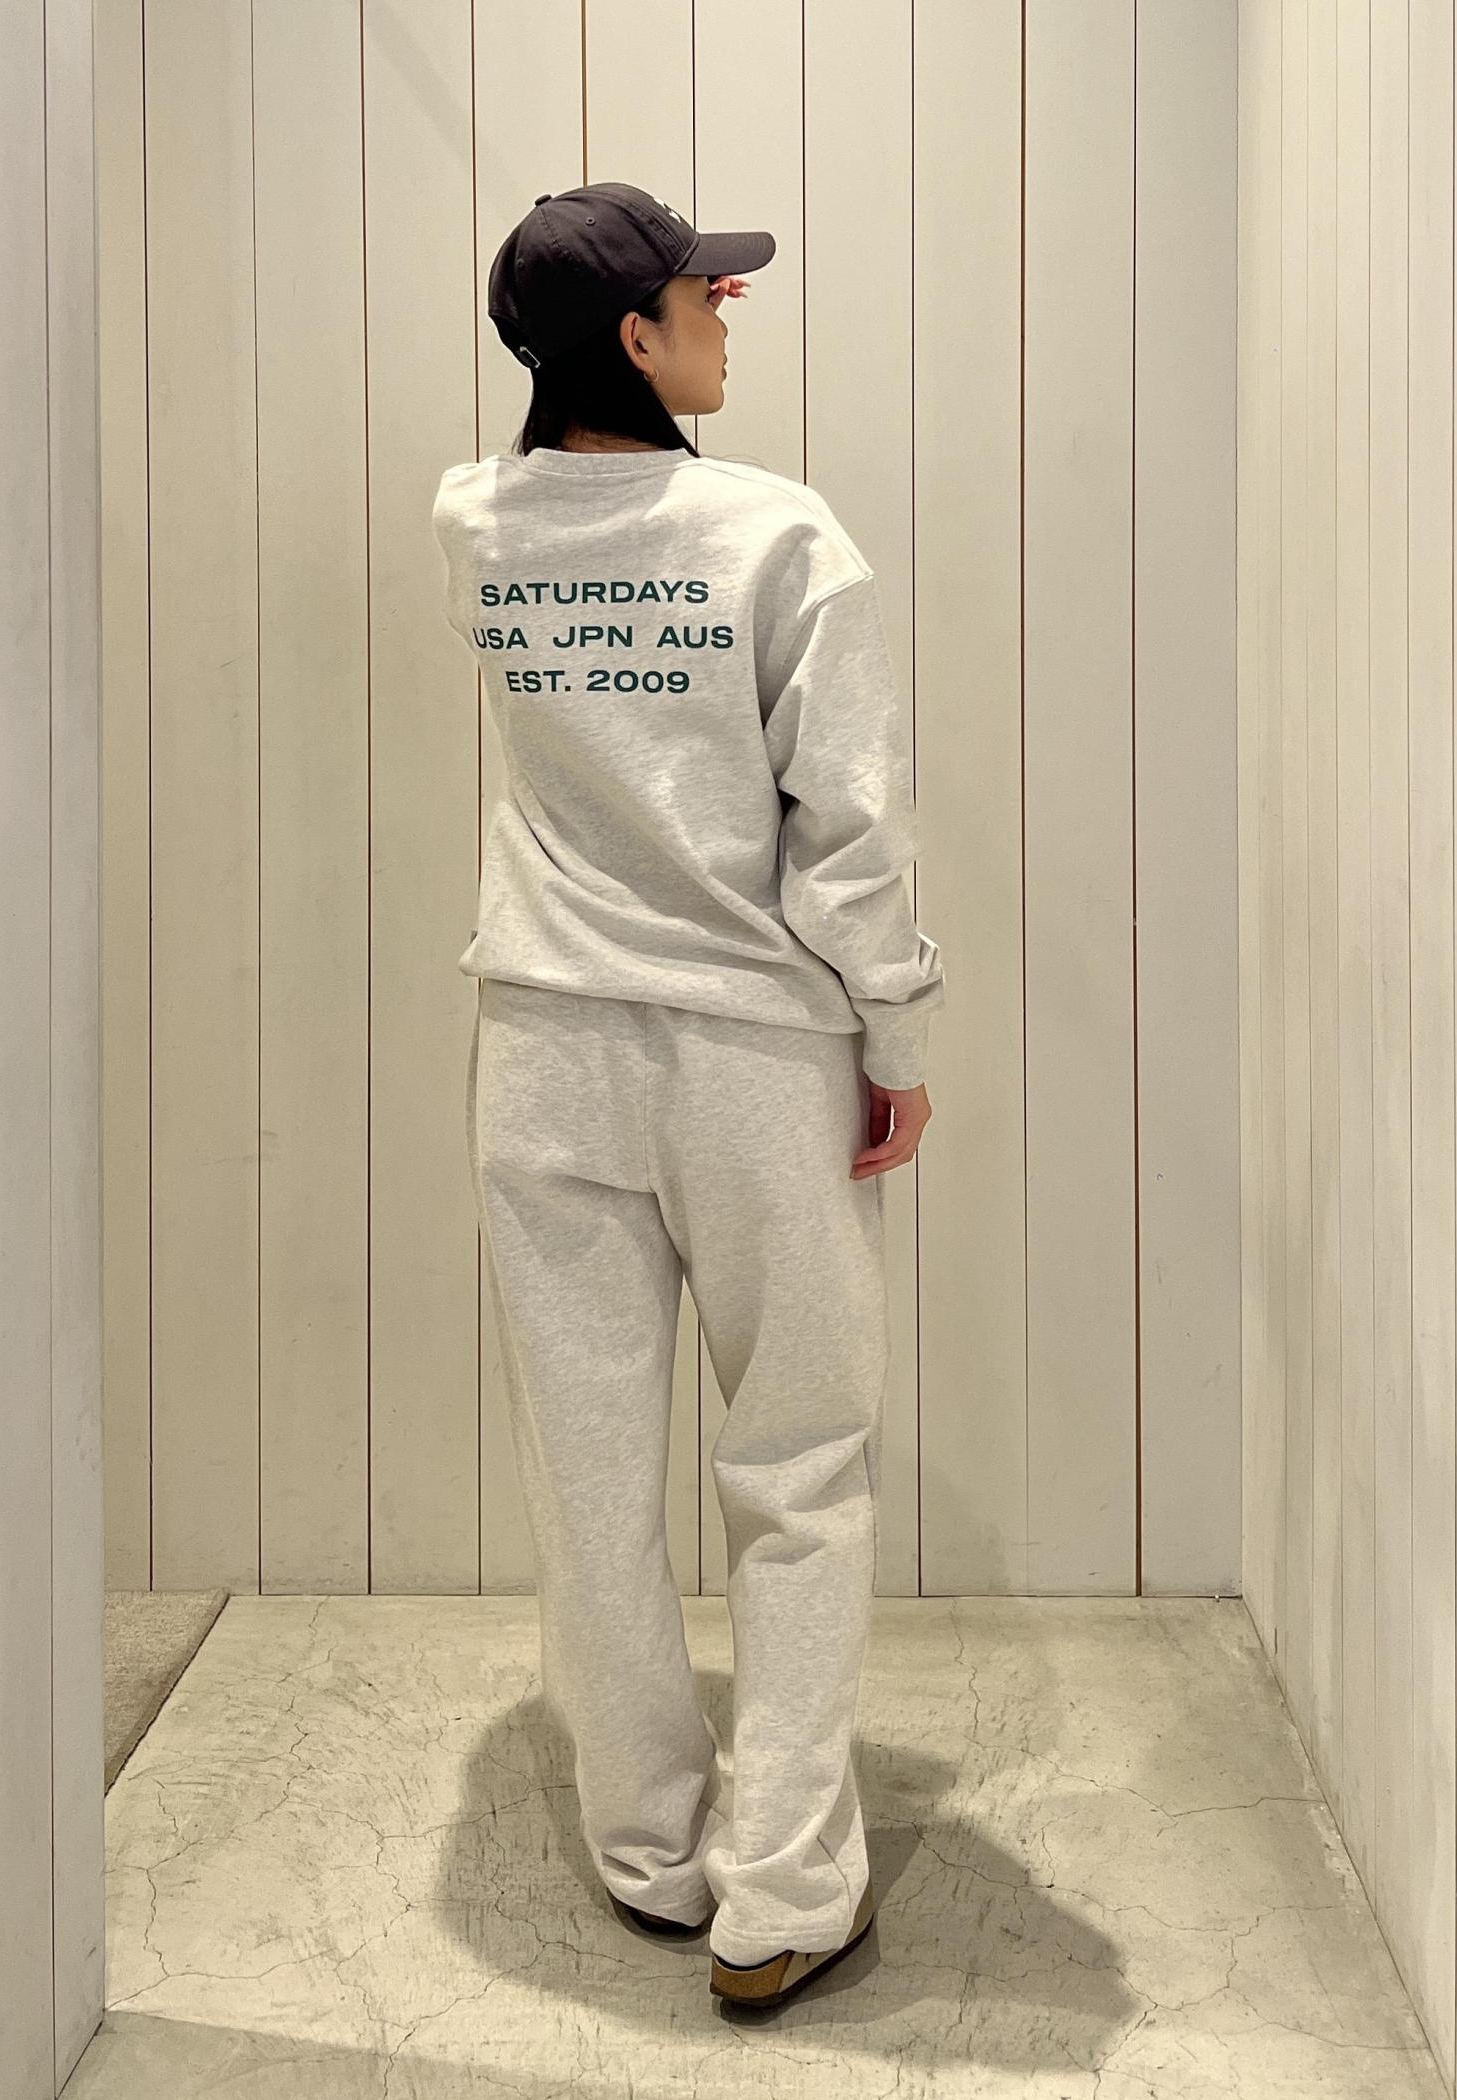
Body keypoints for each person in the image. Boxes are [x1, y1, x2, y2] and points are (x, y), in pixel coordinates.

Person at [431, 182, 945, 2008]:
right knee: (798, 1463)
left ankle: (649, 1847)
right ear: (636, 339)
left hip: (544, 1051)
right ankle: (784, 1890)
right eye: (702, 293)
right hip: (748, 1056)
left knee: (589, 1477)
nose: (733, 313)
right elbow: (850, 831)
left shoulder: (476, 522)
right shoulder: (779, 533)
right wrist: (897, 1044)